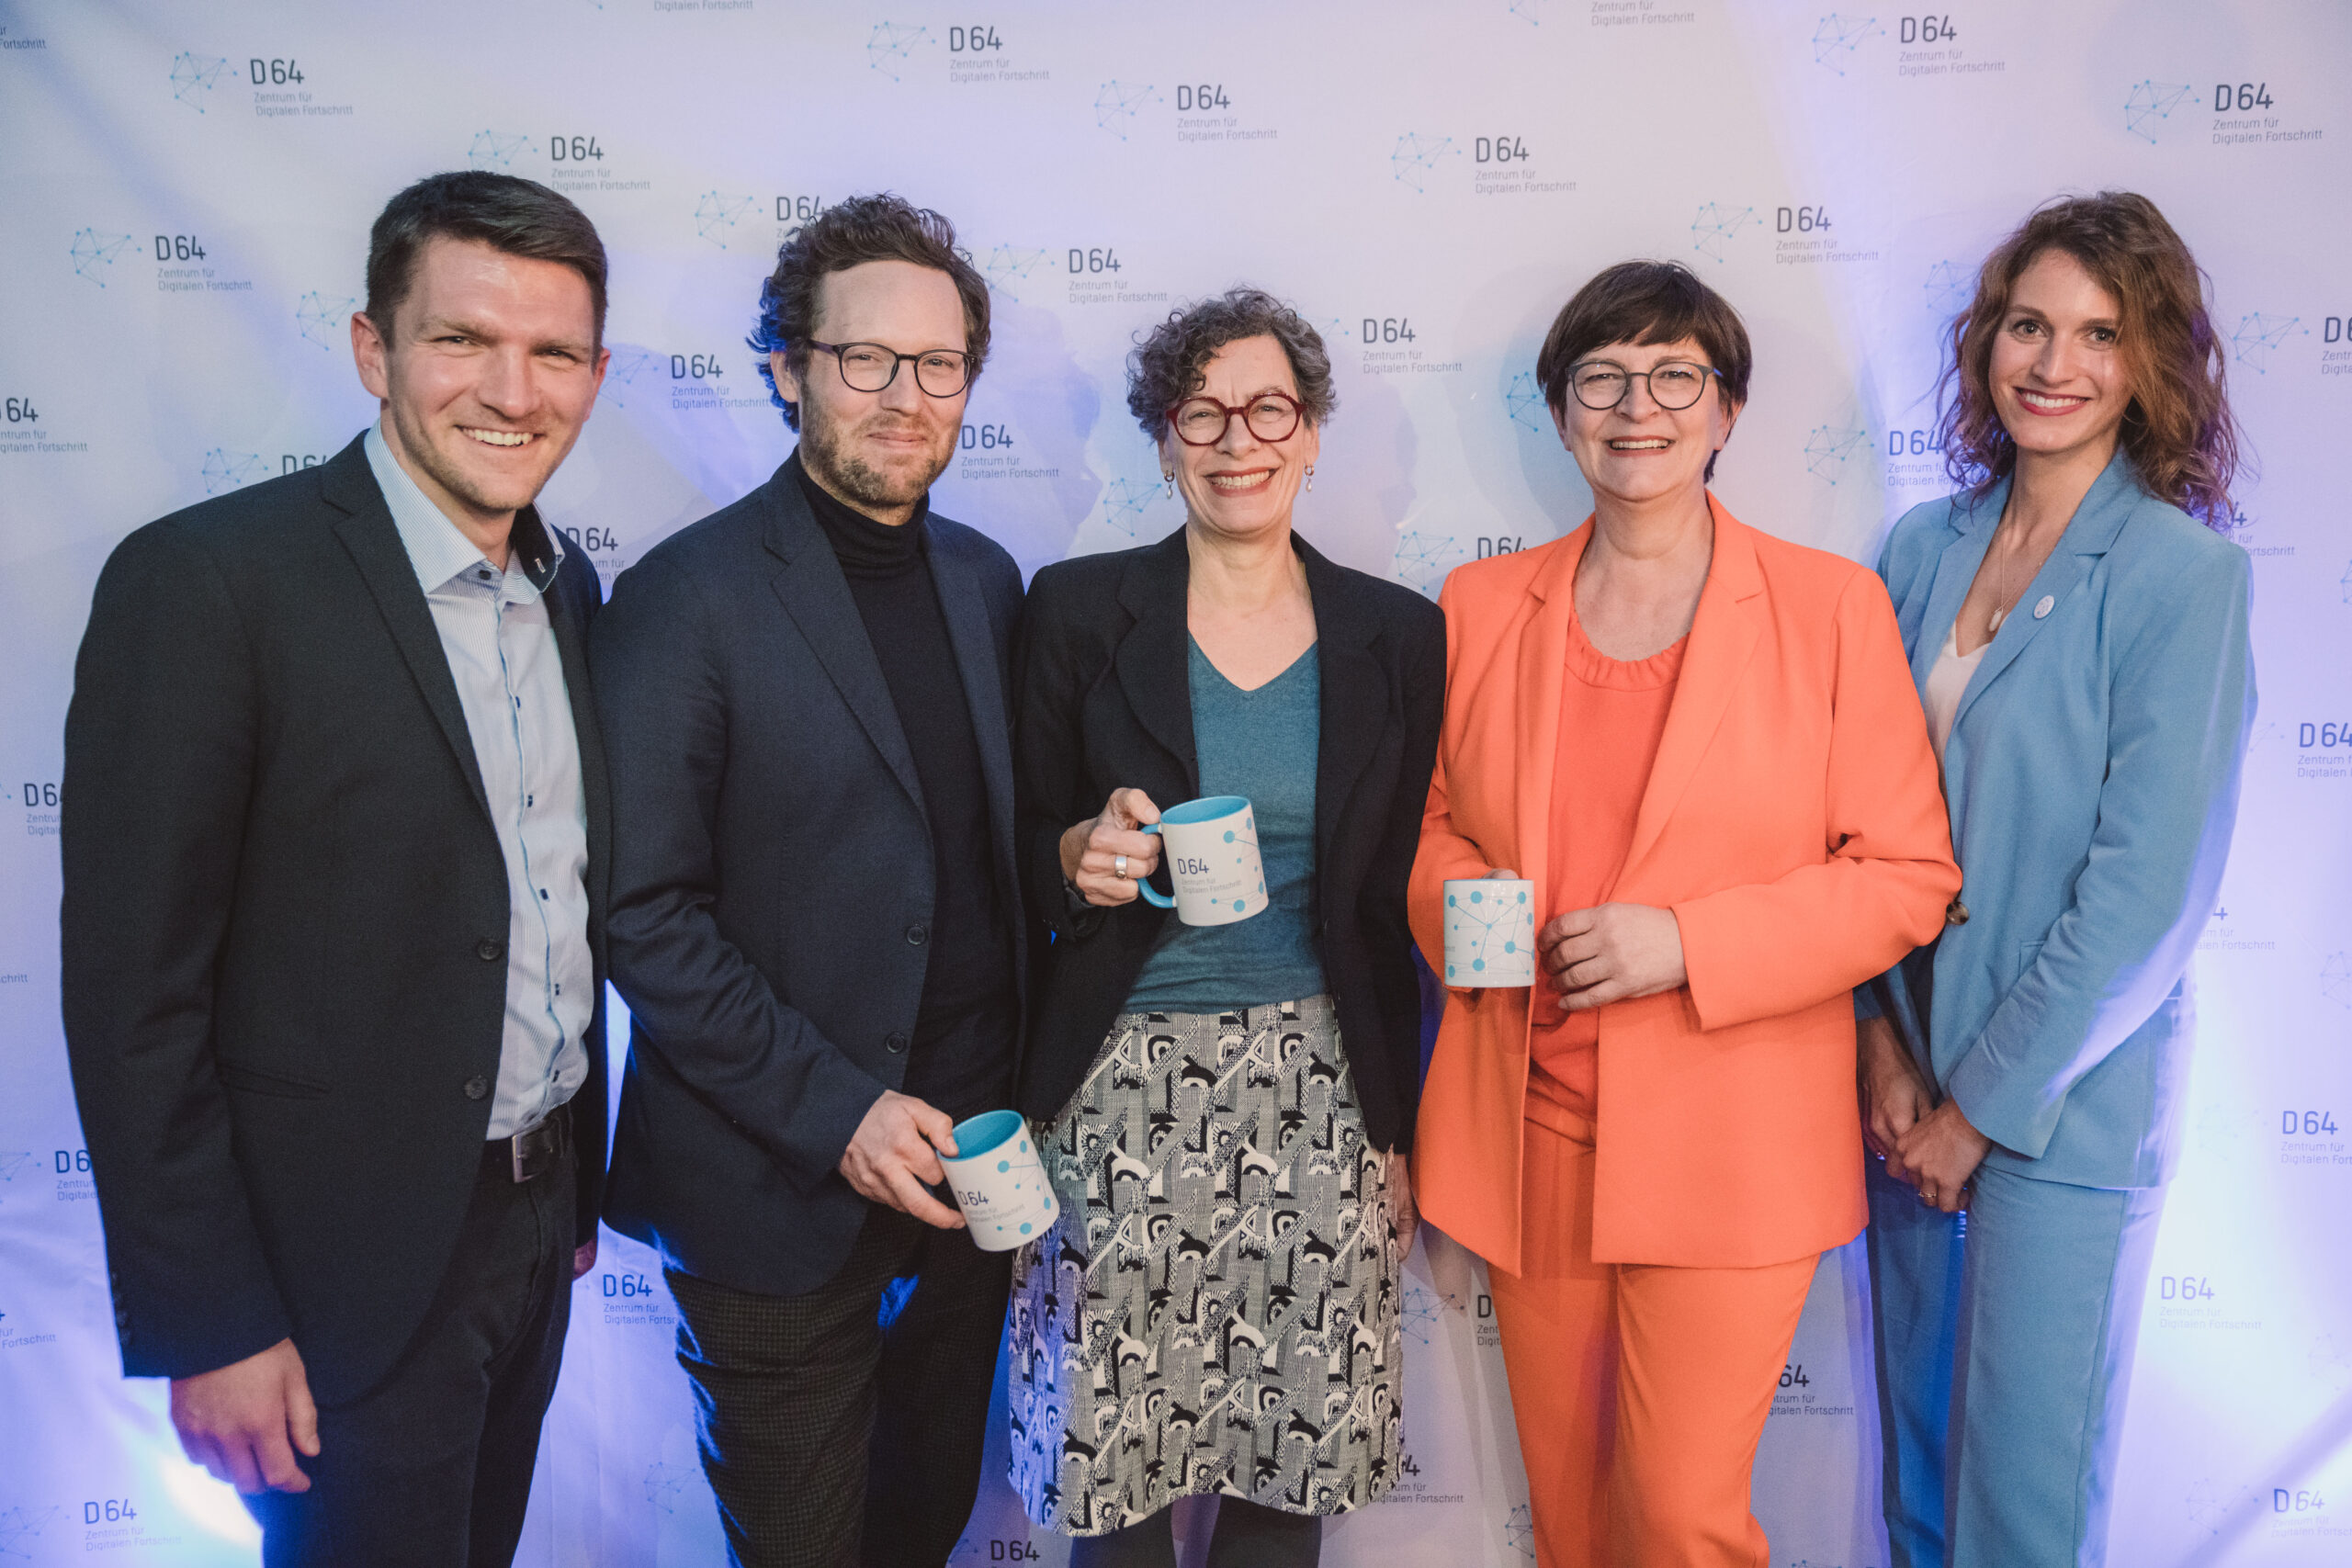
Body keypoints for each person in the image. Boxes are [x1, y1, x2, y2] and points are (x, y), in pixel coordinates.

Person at [61, 171, 614, 1566]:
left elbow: (544, 901)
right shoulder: (209, 585)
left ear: (597, 375)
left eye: (553, 353)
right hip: (331, 1278)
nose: (513, 390)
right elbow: (137, 994)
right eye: (461, 341)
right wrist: (215, 1322)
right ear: (373, 349)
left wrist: (571, 1189)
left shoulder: (570, 589)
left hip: (536, 1227)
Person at [1408, 260, 1961, 1568]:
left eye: (1675, 377)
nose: (1636, 407)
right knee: (1576, 1516)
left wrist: (1685, 945)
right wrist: (1475, 917)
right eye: (1601, 378)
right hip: (1533, 1129)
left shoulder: (1829, 609)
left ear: (1726, 412)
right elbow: (1433, 827)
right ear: (1560, 413)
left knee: (1678, 1520)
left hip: (1731, 1144)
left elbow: (1904, 874)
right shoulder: (1482, 607)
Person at [591, 193, 1023, 1568]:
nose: (907, 396)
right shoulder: (685, 597)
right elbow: (641, 915)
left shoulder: (986, 577)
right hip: (774, 1190)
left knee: (923, 1524)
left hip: (972, 1183)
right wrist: (838, 1110)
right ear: (787, 370)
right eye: (865, 360)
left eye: (938, 363)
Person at [1008, 288, 1442, 1566]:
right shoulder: (1078, 610)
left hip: (1324, 1082)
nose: (1236, 437)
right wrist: (1072, 856)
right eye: (1201, 410)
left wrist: (1395, 1126)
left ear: (1311, 434)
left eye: (1268, 408)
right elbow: (1017, 837)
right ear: (1163, 438)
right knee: (1119, 1470)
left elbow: (1386, 903)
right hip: (1115, 1087)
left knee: (1289, 1465)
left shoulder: (1397, 634)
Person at [1859, 192, 2256, 1568]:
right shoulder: (1919, 551)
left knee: (2017, 1521)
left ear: (2153, 367)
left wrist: (1978, 1107)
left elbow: (2146, 898)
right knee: (1917, 1494)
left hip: (2060, 1117)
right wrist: (1885, 1059)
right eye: (2029, 324)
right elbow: (1854, 825)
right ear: (1988, 342)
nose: (2054, 362)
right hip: (1907, 1099)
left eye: (2101, 333)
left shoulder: (2181, 576)